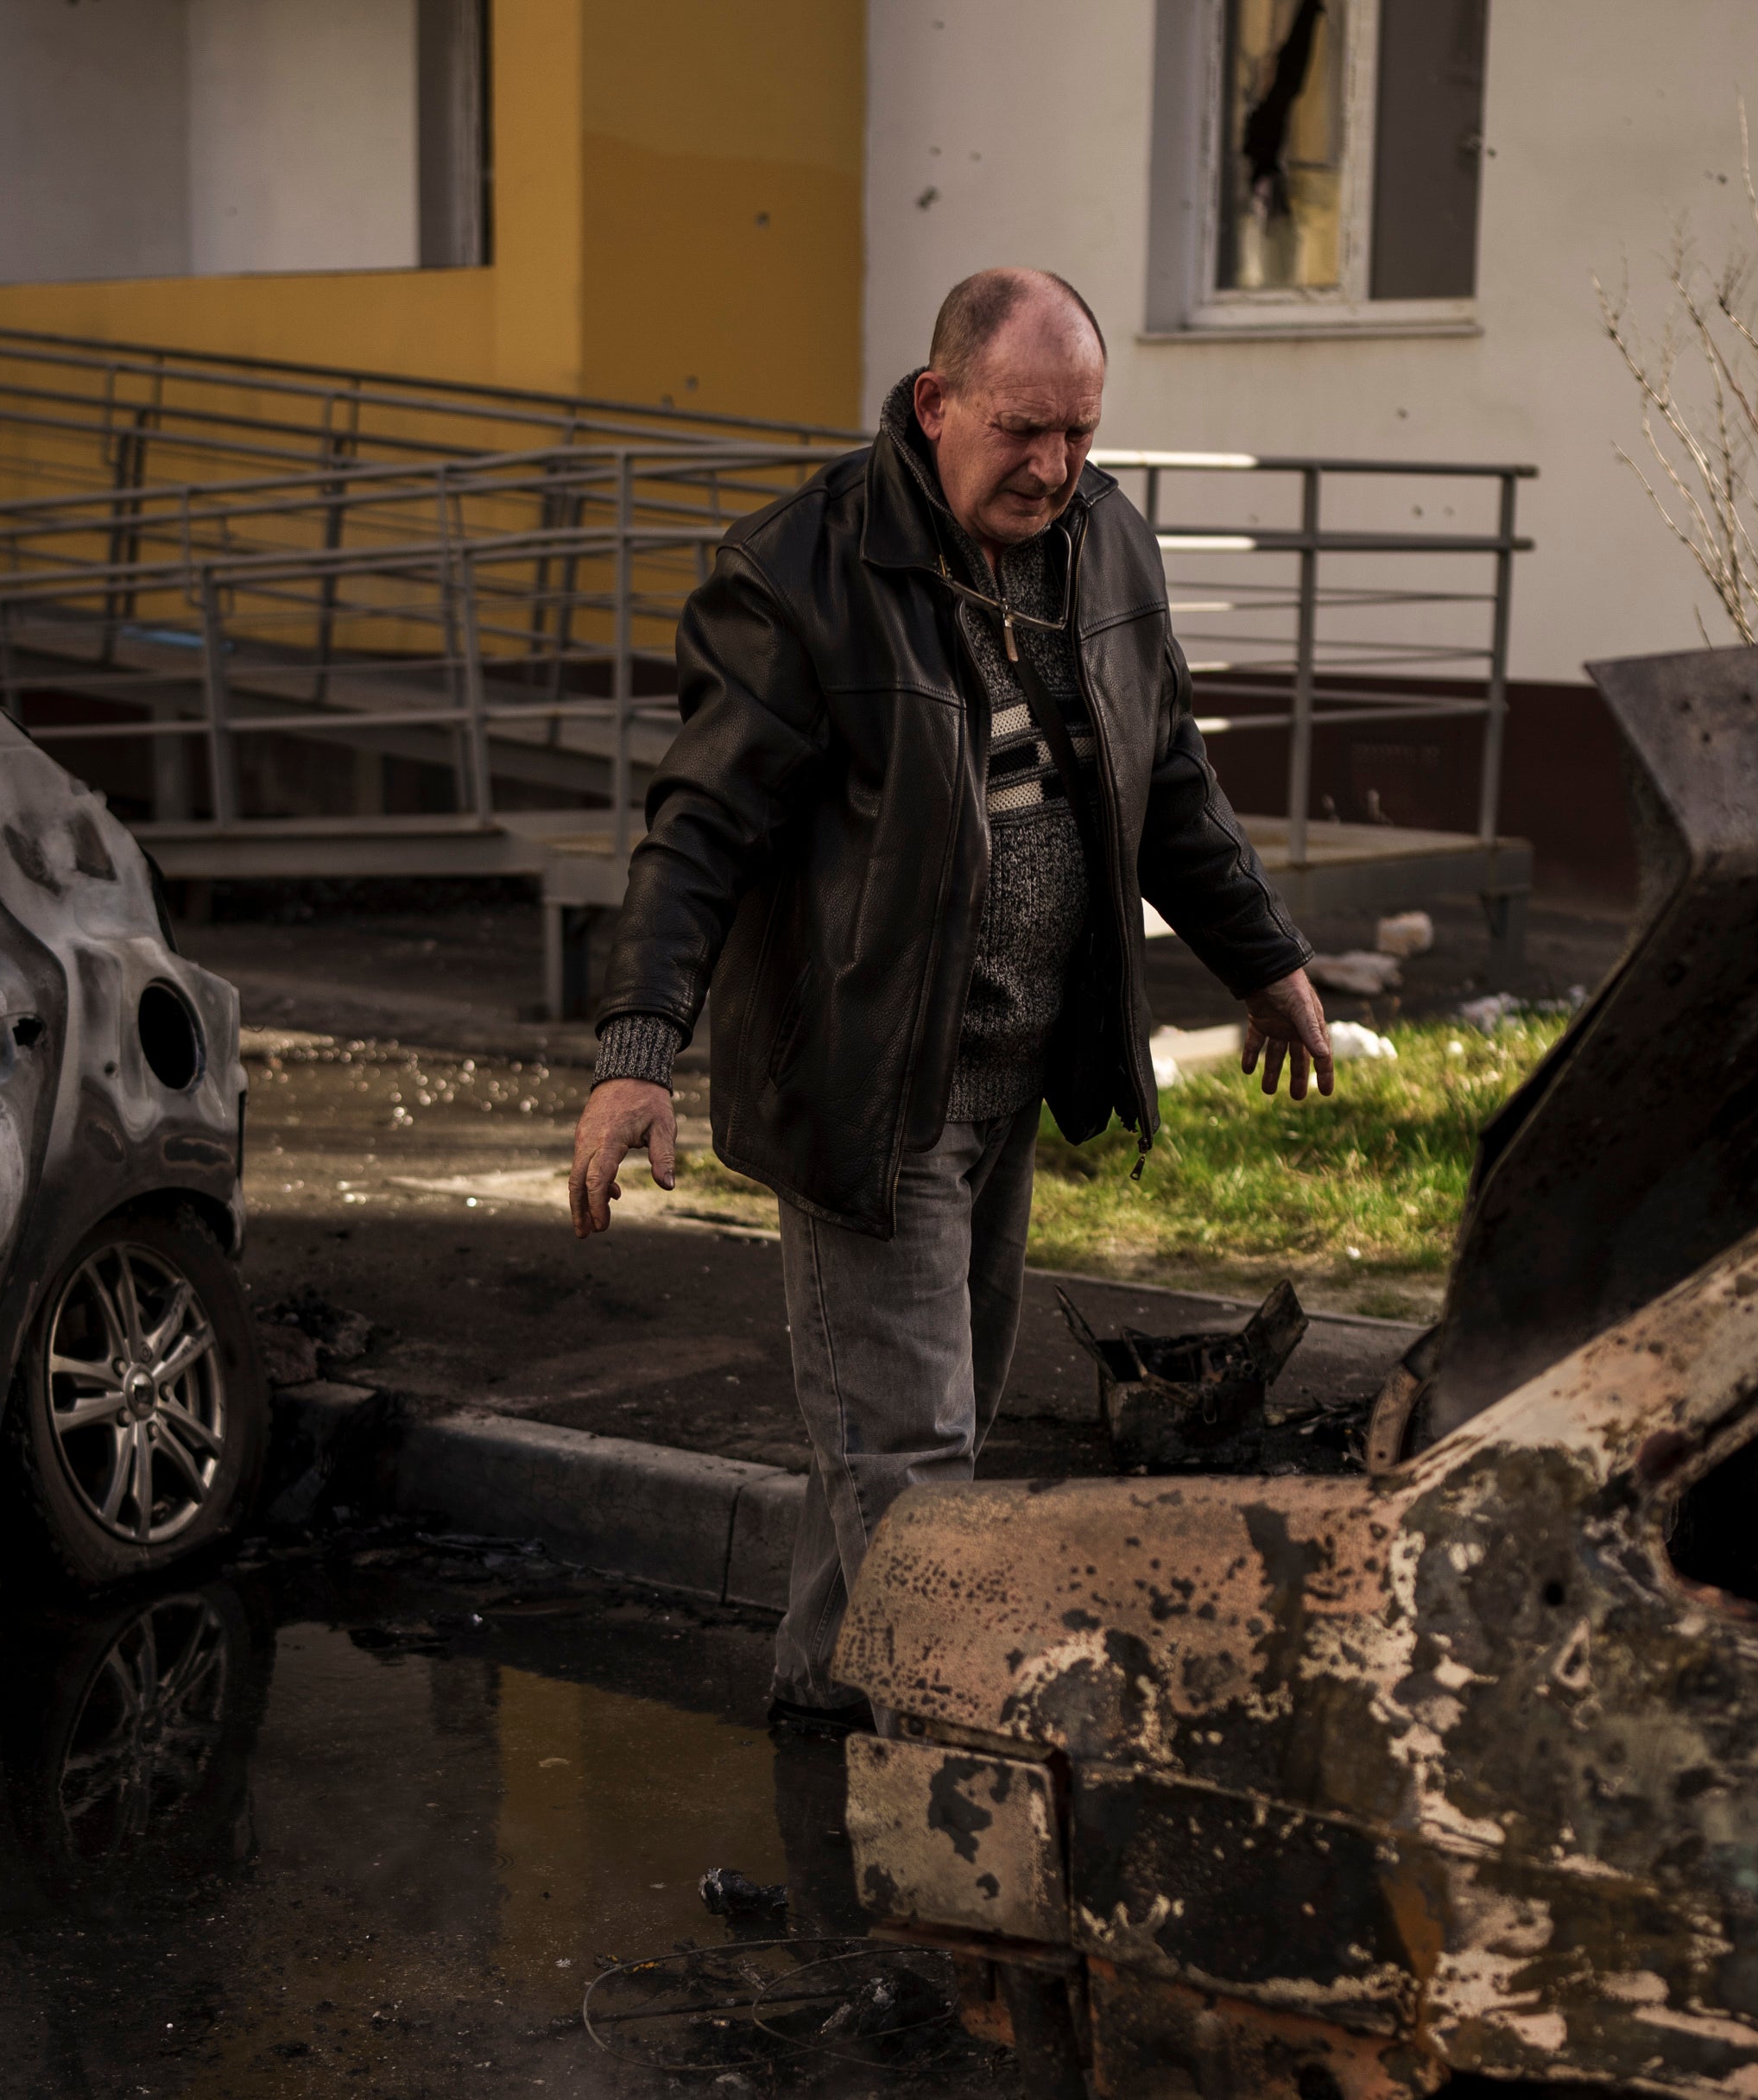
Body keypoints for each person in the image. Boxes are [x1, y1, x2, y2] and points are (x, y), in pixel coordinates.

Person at [568, 266, 1336, 1729]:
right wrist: (636, 1048)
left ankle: (817, 1700)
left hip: (1007, 1088)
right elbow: (699, 829)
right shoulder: (798, 574)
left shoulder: (1106, 546)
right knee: (917, 1469)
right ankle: (968, 1779)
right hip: (875, 1095)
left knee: (909, 1431)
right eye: (1022, 430)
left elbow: (1165, 773)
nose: (1054, 468)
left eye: (1081, 435)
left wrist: (1265, 955)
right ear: (936, 406)